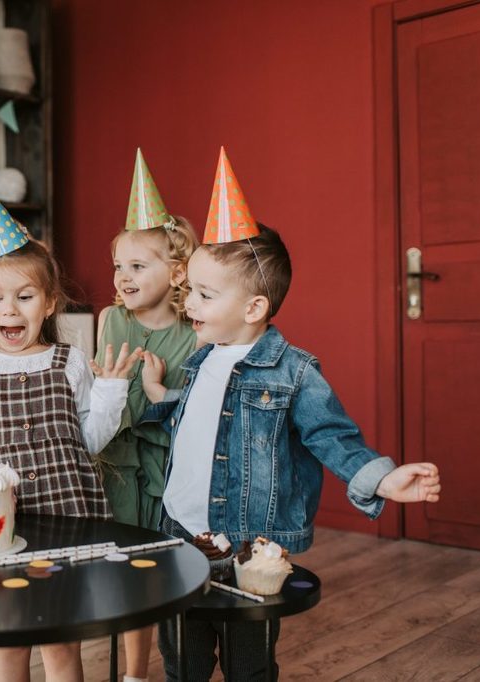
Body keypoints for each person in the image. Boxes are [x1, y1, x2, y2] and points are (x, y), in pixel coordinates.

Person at [145, 148, 441, 681]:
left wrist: (382, 477)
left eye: (205, 295)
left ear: (254, 308)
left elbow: (331, 435)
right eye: (190, 291)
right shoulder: (201, 358)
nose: (189, 303)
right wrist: (158, 396)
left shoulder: (293, 372)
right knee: (182, 657)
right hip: (179, 530)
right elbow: (198, 425)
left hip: (248, 542)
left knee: (248, 659)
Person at [0, 168, 141, 682]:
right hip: (1, 524)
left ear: (50, 302)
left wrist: (112, 391)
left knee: (61, 642)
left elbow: (86, 441)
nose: (9, 309)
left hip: (66, 519)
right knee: (9, 641)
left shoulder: (70, 361)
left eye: (25, 297)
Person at [95, 149, 200, 682]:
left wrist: (160, 392)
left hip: (164, 472)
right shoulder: (109, 319)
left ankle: (156, 667)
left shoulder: (193, 332)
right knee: (123, 574)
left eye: (138, 266)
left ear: (177, 271)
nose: (123, 276)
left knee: (162, 570)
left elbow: (196, 410)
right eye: (119, 265)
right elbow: (99, 395)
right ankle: (129, 670)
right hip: (117, 467)